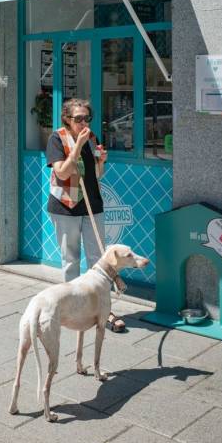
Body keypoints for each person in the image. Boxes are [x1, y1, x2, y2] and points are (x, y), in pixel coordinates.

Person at [46, 98, 125, 333]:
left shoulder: (92, 137)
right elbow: (61, 172)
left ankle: (104, 308)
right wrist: (78, 146)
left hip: (92, 204)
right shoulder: (56, 138)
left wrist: (101, 162)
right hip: (66, 206)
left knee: (98, 259)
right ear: (67, 119)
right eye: (78, 118)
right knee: (70, 259)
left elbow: (97, 174)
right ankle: (72, 307)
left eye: (86, 118)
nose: (83, 122)